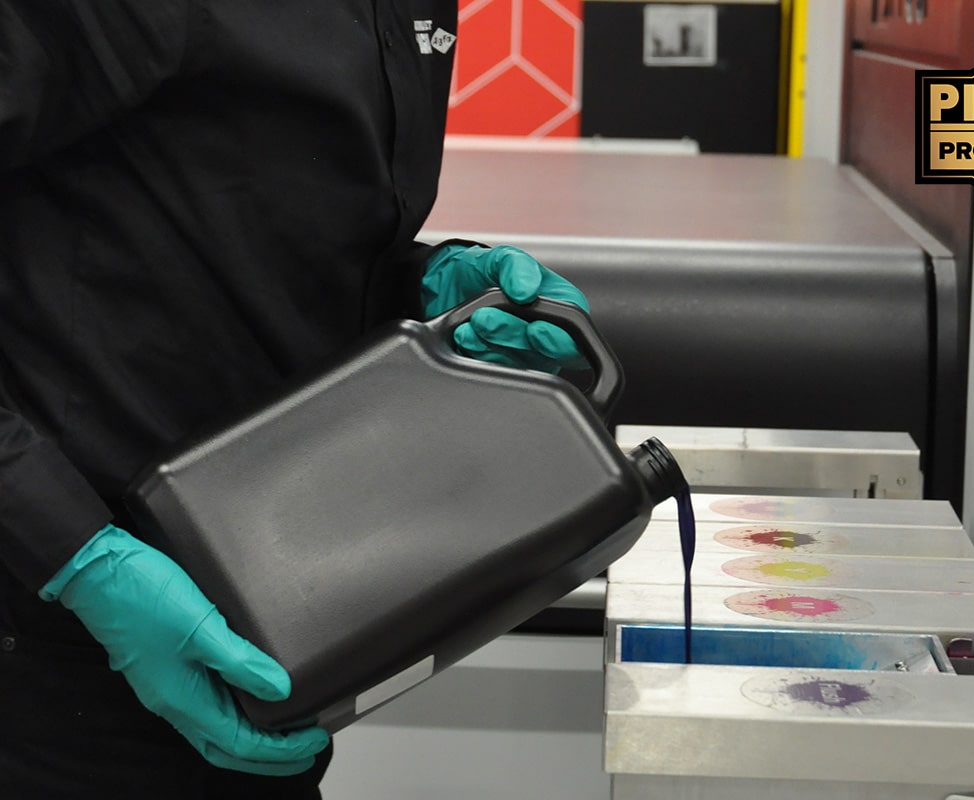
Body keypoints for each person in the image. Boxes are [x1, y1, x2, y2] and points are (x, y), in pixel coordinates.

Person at [0, 1, 590, 797]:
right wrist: (77, 557)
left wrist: (420, 289)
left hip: (276, 618)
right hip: (59, 645)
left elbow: (239, 226)